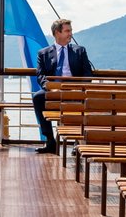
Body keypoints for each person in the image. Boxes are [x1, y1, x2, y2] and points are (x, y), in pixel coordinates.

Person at [31, 18, 92, 154]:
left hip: (75, 91)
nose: (71, 34)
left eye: (70, 31)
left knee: (81, 100)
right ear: (57, 33)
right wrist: (51, 87)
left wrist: (79, 88)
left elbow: (88, 74)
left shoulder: (80, 51)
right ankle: (50, 140)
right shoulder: (43, 53)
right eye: (67, 31)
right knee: (37, 98)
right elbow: (40, 76)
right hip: (54, 90)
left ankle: (77, 142)